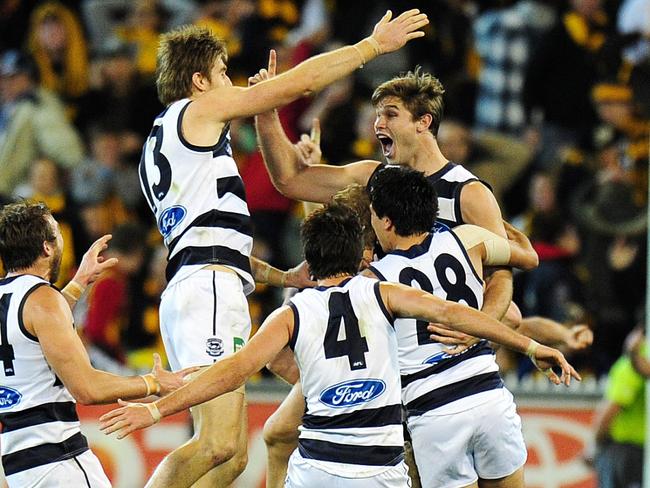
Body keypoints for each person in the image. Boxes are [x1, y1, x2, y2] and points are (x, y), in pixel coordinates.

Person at [138, 11, 429, 488]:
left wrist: (281, 277)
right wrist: (370, 47)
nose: (229, 83)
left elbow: (206, 242)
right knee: (216, 444)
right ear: (198, 81)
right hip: (208, 290)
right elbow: (298, 84)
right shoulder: (197, 111)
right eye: (221, 72)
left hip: (201, 283)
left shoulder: (162, 144)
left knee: (229, 458)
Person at [99, 203, 579, 487]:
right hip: (379, 469)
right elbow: (457, 313)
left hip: (320, 471)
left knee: (275, 437)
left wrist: (159, 409)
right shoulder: (383, 292)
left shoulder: (289, 314)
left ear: (309, 262)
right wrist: (529, 347)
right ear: (361, 254)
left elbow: (233, 369)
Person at [254, 63, 517, 487]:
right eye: (377, 114)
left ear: (424, 122)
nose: (377, 123)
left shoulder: (467, 193)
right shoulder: (374, 178)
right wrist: (266, 112)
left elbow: (502, 276)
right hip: (375, 342)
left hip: (438, 363)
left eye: (390, 113)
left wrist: (478, 327)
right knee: (278, 432)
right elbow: (290, 180)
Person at [0, 201, 194, 488]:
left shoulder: (13, 300)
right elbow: (87, 389)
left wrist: (79, 282)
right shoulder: (43, 300)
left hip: (18, 463)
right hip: (58, 458)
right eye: (56, 233)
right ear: (47, 248)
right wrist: (153, 384)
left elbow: (33, 328)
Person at [366, 166, 536, 488]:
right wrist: (493, 215)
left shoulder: (373, 282)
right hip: (489, 399)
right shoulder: (468, 239)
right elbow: (527, 257)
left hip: (435, 414)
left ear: (386, 221)